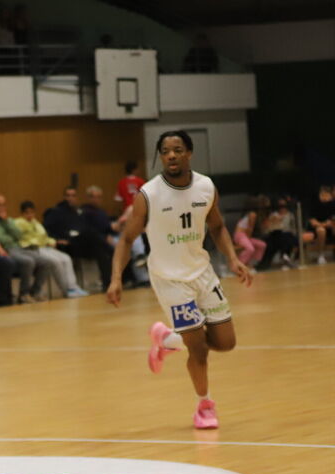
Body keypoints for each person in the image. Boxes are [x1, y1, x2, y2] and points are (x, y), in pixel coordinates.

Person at [107, 130, 252, 429]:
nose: (171, 155)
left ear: (189, 153)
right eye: (165, 151)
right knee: (198, 348)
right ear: (160, 156)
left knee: (225, 343)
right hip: (170, 279)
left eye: (177, 150)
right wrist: (115, 278)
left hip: (202, 273)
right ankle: (204, 406)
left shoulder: (205, 187)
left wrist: (234, 259)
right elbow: (126, 239)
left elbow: (218, 227)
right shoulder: (148, 194)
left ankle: (167, 339)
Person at [12, 201, 89, 298]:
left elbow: (44, 236)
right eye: (27, 213)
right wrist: (38, 242)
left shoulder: (36, 223)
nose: (30, 215)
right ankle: (66, 289)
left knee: (66, 258)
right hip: (34, 249)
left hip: (46, 247)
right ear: (22, 213)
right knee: (56, 262)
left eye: (32, 212)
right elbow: (21, 239)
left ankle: (73, 286)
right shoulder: (18, 223)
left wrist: (52, 241)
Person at [0, 194, 52, 302]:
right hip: (6, 250)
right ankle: (23, 294)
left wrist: (6, 222)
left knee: (46, 262)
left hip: (19, 247)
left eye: (3, 205)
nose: (0, 208)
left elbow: (18, 235)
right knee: (28, 261)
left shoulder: (9, 220)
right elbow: (0, 239)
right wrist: (9, 237)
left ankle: (35, 291)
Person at [44, 186, 114, 287]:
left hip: (81, 243)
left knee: (100, 250)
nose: (70, 198)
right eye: (68, 195)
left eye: (73, 195)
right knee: (93, 235)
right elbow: (47, 229)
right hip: (67, 245)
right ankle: (112, 250)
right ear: (64, 197)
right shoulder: (56, 212)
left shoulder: (79, 212)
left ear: (77, 197)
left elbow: (84, 227)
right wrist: (56, 239)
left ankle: (108, 283)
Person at [257, 197, 300, 270]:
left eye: (283, 205)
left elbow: (293, 228)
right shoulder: (274, 215)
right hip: (276, 234)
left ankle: (286, 259)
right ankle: (266, 264)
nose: (282, 207)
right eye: (280, 205)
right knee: (275, 240)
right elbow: (269, 228)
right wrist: (275, 222)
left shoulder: (290, 215)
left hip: (288, 235)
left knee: (289, 239)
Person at [232, 197, 267, 267]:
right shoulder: (252, 214)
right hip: (240, 235)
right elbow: (250, 229)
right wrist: (247, 240)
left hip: (245, 235)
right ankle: (240, 265)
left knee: (262, 245)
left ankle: (252, 263)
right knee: (250, 248)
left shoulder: (251, 214)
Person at [304, 185, 333, 264]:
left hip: (329, 228)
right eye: (322, 194)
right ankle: (321, 255)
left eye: (327, 194)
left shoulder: (332, 205)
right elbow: (313, 221)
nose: (324, 196)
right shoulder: (314, 205)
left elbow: (332, 220)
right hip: (316, 229)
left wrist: (328, 223)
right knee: (321, 231)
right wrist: (321, 225)